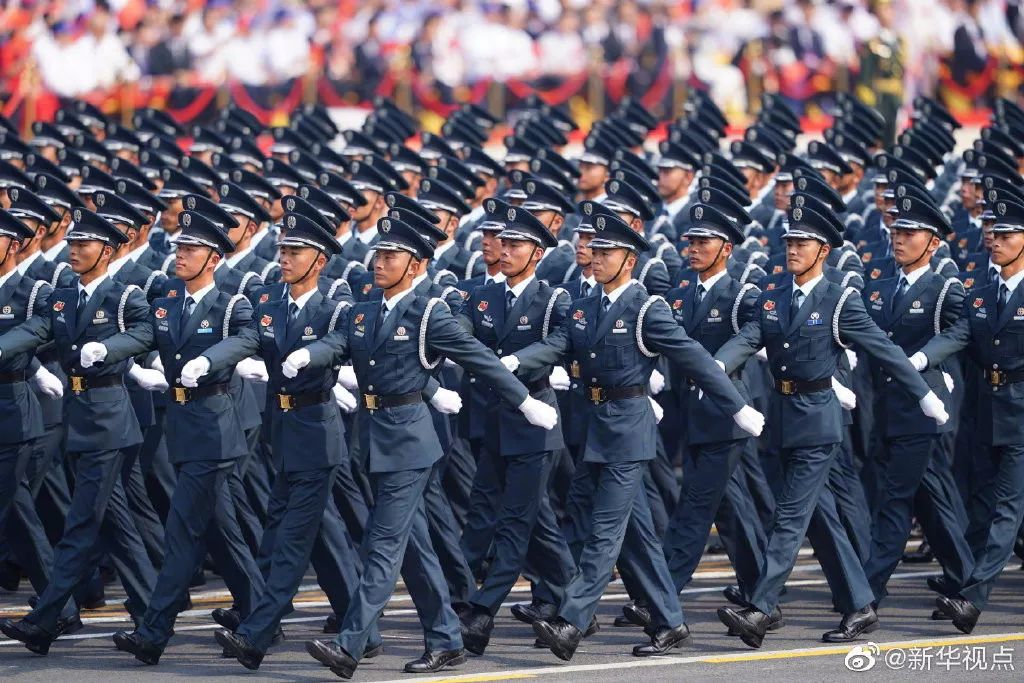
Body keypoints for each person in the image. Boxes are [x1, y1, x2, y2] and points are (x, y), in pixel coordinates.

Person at [293, 217, 557, 679]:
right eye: (378, 254)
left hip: (410, 443)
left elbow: (480, 359)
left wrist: (526, 401)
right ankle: (446, 638)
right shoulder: (365, 307)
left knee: (383, 545)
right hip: (377, 440)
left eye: (390, 256)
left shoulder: (429, 312)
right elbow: (340, 343)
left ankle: (349, 644)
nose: (379, 262)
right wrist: (309, 355)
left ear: (414, 265)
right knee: (415, 550)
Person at [500, 208, 765, 660]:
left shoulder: (647, 309)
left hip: (629, 430)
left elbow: (695, 358)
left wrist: (737, 406)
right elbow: (555, 347)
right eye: (595, 249)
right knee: (632, 533)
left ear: (629, 259)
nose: (595, 257)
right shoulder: (585, 306)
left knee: (604, 531)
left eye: (606, 251)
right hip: (597, 429)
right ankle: (670, 620)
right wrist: (510, 364)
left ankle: (572, 620)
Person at [714, 205, 948, 648]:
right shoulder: (775, 293)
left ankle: (760, 608)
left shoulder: (840, 298)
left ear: (823, 249)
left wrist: (924, 392)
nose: (793, 250)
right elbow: (747, 339)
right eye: (788, 242)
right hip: (783, 420)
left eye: (802, 243)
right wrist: (712, 367)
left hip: (819, 421)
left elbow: (884, 350)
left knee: (790, 516)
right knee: (822, 521)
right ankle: (859, 605)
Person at [98, 210, 265, 664]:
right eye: (179, 247)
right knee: (222, 531)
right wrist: (106, 351)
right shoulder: (169, 302)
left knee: (182, 532)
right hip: (184, 429)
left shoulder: (232, 305)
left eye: (190, 250)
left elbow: (248, 338)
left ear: (212, 258)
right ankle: (260, 618)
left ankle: (153, 632)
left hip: (215, 430)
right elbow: (143, 336)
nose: (180, 255)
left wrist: (209, 361)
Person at [0, 209, 157, 654]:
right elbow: (35, 329)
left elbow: (146, 331)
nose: (73, 250)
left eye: (83, 245)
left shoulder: (124, 295)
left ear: (106, 251)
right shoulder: (65, 296)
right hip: (80, 420)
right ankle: (152, 622)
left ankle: (45, 619)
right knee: (117, 529)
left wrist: (108, 347)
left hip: (110, 423)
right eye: (71, 243)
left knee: (81, 524)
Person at [457, 205, 576, 655]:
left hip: (534, 421)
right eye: (503, 244)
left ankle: (483, 611)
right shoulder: (485, 296)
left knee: (515, 522)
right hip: (495, 420)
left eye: (516, 245)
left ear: (538, 253)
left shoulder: (552, 299)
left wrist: (520, 363)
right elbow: (464, 334)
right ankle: (572, 600)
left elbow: (561, 341)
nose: (504, 251)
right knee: (518, 518)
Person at [911, 199, 1024, 634]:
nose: (995, 242)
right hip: (988, 410)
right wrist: (917, 362)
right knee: (980, 505)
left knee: (1007, 509)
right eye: (992, 234)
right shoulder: (982, 290)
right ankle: (963, 584)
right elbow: (958, 335)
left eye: (1007, 235)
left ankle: (972, 599)